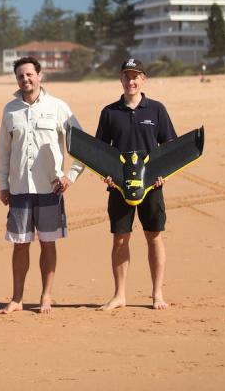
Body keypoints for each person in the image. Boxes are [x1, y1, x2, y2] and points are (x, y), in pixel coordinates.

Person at [0, 56, 84, 314]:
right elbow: (3, 151)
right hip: (19, 188)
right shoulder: (10, 110)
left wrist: (71, 176)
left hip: (50, 188)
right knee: (20, 244)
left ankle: (46, 296)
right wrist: (3, 184)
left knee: (48, 243)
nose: (25, 79)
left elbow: (81, 146)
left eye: (29, 74)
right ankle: (17, 298)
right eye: (20, 76)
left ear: (40, 75)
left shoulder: (59, 107)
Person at [95, 58, 177, 310]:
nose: (131, 81)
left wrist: (163, 174)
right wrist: (106, 175)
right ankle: (119, 295)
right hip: (119, 186)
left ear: (143, 80)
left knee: (154, 237)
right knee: (120, 239)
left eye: (135, 76)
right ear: (120, 80)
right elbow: (100, 151)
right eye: (126, 76)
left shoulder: (157, 110)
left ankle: (157, 294)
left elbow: (170, 147)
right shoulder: (110, 113)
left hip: (151, 184)